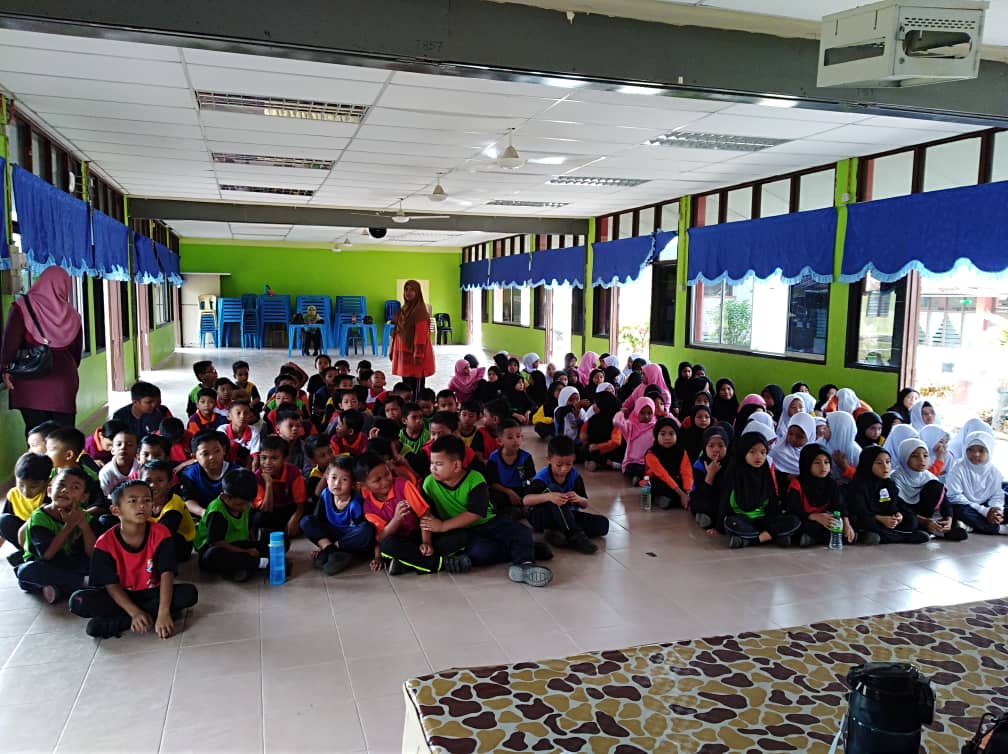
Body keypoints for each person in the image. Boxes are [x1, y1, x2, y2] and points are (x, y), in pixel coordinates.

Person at [68, 480, 198, 639]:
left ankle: (124, 620)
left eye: (147, 500)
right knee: (78, 600)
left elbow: (167, 573)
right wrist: (134, 612)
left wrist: (163, 612)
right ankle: (142, 615)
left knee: (188, 593)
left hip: (152, 592)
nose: (141, 506)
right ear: (116, 510)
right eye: (133, 501)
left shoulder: (161, 533)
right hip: (121, 595)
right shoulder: (104, 543)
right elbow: (110, 584)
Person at [420, 436, 553, 587]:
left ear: (456, 465)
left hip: (489, 521)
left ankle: (525, 564)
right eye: (431, 463)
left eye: (438, 464)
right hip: (460, 531)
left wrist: (443, 526)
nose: (432, 468)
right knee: (481, 551)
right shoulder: (428, 484)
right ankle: (526, 550)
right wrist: (426, 542)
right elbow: (425, 515)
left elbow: (474, 514)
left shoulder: (475, 479)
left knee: (521, 532)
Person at [0, 268, 84, 434]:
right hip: (64, 381)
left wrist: (4, 368)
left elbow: (10, 343)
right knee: (64, 437)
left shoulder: (22, 307)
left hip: (31, 379)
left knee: (36, 436)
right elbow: (76, 354)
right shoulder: (73, 315)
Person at [356, 452, 470, 575]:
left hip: (420, 534)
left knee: (461, 535)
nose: (385, 481)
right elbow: (381, 537)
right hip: (400, 542)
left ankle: (408, 562)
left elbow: (424, 514)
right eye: (377, 480)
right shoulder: (368, 507)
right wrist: (396, 519)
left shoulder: (402, 484)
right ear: (363, 485)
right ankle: (437, 564)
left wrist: (426, 543)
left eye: (387, 474)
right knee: (387, 546)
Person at [16, 467, 97, 603]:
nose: (65, 490)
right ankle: (82, 583)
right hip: (44, 562)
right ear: (49, 490)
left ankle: (59, 586)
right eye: (61, 485)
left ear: (83, 497)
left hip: (70, 562)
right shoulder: (39, 517)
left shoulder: (85, 516)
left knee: (96, 563)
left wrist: (84, 526)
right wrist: (69, 526)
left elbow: (92, 554)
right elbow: (47, 555)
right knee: (26, 572)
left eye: (75, 487)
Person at [524, 435, 609, 554]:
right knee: (554, 489)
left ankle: (556, 533)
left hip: (566, 516)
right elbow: (526, 500)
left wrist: (578, 499)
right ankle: (574, 535)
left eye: (568, 464)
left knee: (603, 524)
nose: (564, 469)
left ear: (574, 458)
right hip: (542, 516)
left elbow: (584, 504)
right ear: (549, 459)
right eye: (559, 465)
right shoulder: (542, 477)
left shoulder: (575, 476)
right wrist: (549, 496)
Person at [718, 433, 800, 549]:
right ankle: (773, 536)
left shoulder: (765, 472)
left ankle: (751, 540)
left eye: (763, 452)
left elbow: (772, 502)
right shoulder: (734, 472)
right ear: (743, 452)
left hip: (763, 518)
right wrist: (718, 527)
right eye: (752, 452)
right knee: (732, 523)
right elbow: (725, 500)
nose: (759, 457)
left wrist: (777, 519)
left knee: (794, 520)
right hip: (741, 517)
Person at [299, 457, 375, 575]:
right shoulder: (326, 494)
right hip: (332, 534)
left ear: (353, 484)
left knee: (367, 529)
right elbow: (318, 520)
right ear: (327, 478)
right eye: (333, 478)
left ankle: (333, 551)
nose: (337, 483)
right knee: (306, 521)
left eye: (344, 479)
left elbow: (361, 528)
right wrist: (321, 544)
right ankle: (331, 550)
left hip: (348, 537)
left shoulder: (355, 502)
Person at [195, 468, 271, 582]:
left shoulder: (245, 504)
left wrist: (253, 544)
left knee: (277, 542)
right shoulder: (217, 512)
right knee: (214, 556)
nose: (244, 508)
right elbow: (216, 542)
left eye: (247, 503)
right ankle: (261, 564)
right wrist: (246, 552)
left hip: (238, 543)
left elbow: (249, 527)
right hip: (214, 548)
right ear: (225, 497)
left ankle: (242, 568)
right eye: (240, 504)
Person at [846, 446, 929, 545]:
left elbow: (895, 503)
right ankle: (903, 537)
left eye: (888, 462)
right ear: (868, 463)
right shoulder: (858, 484)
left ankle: (886, 536)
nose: (885, 467)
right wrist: (880, 518)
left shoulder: (888, 483)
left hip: (886, 521)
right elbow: (859, 510)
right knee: (865, 522)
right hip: (870, 519)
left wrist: (897, 515)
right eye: (879, 463)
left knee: (911, 520)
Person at [890, 438, 967, 542]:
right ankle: (923, 529)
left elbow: (945, 502)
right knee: (910, 521)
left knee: (937, 487)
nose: (922, 460)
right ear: (905, 457)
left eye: (925, 455)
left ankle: (937, 528)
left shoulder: (929, 476)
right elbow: (899, 507)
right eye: (914, 456)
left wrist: (948, 519)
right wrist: (925, 521)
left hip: (926, 515)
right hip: (906, 514)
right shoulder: (895, 478)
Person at [785, 444, 856, 547]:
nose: (823, 467)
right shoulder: (797, 483)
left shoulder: (831, 483)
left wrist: (846, 524)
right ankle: (807, 538)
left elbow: (839, 506)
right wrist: (816, 517)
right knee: (795, 523)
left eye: (826, 462)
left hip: (825, 520)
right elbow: (793, 509)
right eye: (817, 463)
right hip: (806, 519)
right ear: (807, 463)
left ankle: (811, 539)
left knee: (847, 521)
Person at [946, 431, 1007, 536]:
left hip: (985, 506)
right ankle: (999, 529)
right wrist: (984, 511)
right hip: (966, 505)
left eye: (981, 450)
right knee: (959, 510)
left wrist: (996, 510)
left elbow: (997, 496)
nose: (975, 454)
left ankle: (971, 526)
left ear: (990, 450)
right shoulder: (958, 468)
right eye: (970, 450)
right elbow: (954, 496)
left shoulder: (995, 472)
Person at [1, 452, 53, 565]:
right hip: (23, 536)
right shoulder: (13, 495)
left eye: (33, 487)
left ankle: (35, 557)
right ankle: (28, 554)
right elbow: (3, 531)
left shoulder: (49, 496)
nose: (25, 491)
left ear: (47, 482)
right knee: (3, 520)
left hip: (43, 539)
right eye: (20, 485)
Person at [254, 436, 308, 543]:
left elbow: (300, 503)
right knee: (258, 518)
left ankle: (283, 530)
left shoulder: (293, 472)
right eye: (264, 458)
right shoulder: (258, 476)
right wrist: (268, 484)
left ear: (285, 459)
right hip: (270, 511)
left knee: (307, 517)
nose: (267, 462)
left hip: (289, 509)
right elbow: (265, 509)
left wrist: (295, 519)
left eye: (274, 458)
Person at [140, 460, 196, 562]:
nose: (153, 485)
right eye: (148, 481)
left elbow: (164, 532)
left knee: (169, 540)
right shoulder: (140, 501)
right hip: (152, 538)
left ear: (170, 484)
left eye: (160, 480)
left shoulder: (175, 503)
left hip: (180, 543)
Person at [390, 280, 435, 400]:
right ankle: (407, 407)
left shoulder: (420, 312)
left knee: (416, 387)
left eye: (412, 290)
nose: (408, 292)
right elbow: (397, 332)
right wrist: (392, 349)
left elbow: (421, 335)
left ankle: (417, 407)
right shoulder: (403, 309)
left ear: (418, 292)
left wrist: (418, 354)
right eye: (406, 289)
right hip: (403, 355)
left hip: (415, 357)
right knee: (406, 385)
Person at [485, 419, 536, 518]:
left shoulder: (526, 457)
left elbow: (530, 479)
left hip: (522, 490)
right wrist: (509, 492)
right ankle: (513, 511)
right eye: (510, 437)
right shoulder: (494, 458)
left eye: (518, 436)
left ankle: (522, 508)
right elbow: (493, 483)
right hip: (503, 491)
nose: (515, 440)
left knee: (537, 489)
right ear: (500, 441)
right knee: (491, 496)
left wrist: (528, 495)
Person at [179, 430, 232, 518]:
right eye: (205, 454)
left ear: (223, 450)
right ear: (194, 457)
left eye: (217, 451)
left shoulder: (236, 473)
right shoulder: (190, 474)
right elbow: (188, 500)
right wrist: (205, 513)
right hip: (201, 516)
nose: (212, 457)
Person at [644, 418, 693, 510]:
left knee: (691, 486)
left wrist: (688, 493)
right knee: (656, 483)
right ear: (656, 435)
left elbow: (686, 472)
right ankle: (660, 498)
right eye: (663, 434)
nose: (667, 438)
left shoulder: (681, 451)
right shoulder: (651, 454)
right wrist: (682, 494)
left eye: (671, 434)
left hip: (675, 480)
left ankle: (671, 500)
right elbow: (663, 475)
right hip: (661, 481)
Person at [690, 425, 730, 531]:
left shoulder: (730, 464)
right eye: (711, 446)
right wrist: (710, 474)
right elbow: (702, 492)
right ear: (704, 447)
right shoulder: (699, 464)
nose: (716, 449)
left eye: (721, 445)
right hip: (704, 496)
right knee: (701, 504)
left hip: (722, 498)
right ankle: (704, 515)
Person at [614, 396, 656, 484]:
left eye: (649, 413)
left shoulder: (655, 427)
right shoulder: (631, 426)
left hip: (649, 462)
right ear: (636, 411)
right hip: (633, 462)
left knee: (655, 468)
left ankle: (640, 478)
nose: (646, 416)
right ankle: (643, 478)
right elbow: (617, 422)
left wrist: (668, 414)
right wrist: (621, 413)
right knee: (630, 468)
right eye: (642, 413)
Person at [581, 391, 624, 472]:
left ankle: (608, 463)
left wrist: (598, 447)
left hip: (610, 450)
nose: (593, 406)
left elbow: (616, 442)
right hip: (594, 448)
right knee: (583, 449)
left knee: (592, 454)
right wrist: (583, 436)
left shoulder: (615, 420)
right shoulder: (594, 418)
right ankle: (601, 462)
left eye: (596, 403)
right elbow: (585, 430)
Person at [98, 428, 139, 496]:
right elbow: (106, 496)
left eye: (129, 444)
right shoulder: (105, 473)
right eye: (119, 444)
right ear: (112, 450)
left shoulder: (141, 467)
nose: (123, 447)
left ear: (137, 450)